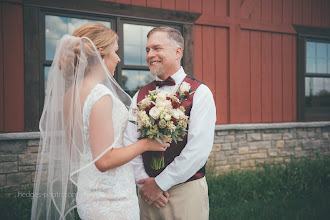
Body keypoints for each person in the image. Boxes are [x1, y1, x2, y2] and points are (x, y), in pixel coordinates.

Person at [31, 23, 169, 220]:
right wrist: (147, 143)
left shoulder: (70, 94)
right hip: (112, 199)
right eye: (115, 51)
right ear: (100, 52)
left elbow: (75, 151)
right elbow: (104, 161)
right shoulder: (100, 95)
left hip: (90, 193)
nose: (118, 58)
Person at [124, 26, 216, 219]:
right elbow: (130, 142)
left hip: (186, 193)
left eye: (157, 48)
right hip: (147, 194)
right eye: (147, 50)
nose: (150, 55)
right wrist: (144, 184)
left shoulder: (200, 93)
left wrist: (160, 184)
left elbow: (198, 150)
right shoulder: (139, 95)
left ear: (177, 51)